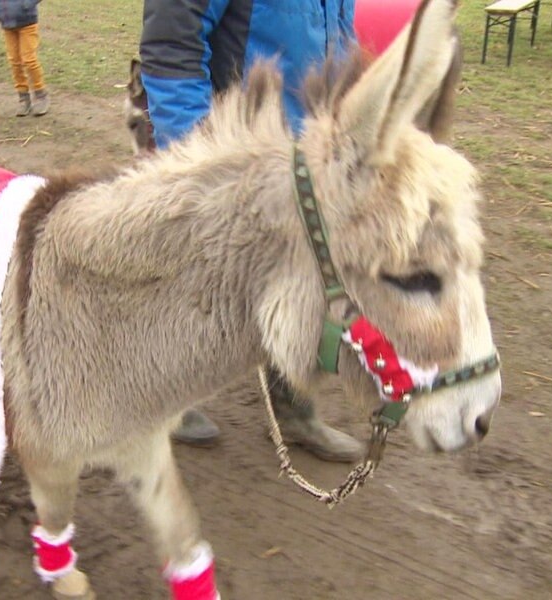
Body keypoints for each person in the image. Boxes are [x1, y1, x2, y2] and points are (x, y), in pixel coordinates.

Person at [138, 0, 364, 461]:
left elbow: (335, 36)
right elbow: (172, 42)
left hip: (310, 147)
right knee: (199, 281)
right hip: (237, 149)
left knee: (302, 278)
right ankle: (162, 397)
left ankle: (296, 410)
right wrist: (197, 160)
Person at [0, 0, 51, 117]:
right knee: (14, 61)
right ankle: (23, 98)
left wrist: (26, 5)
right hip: (7, 24)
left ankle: (41, 95)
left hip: (27, 22)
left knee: (29, 60)